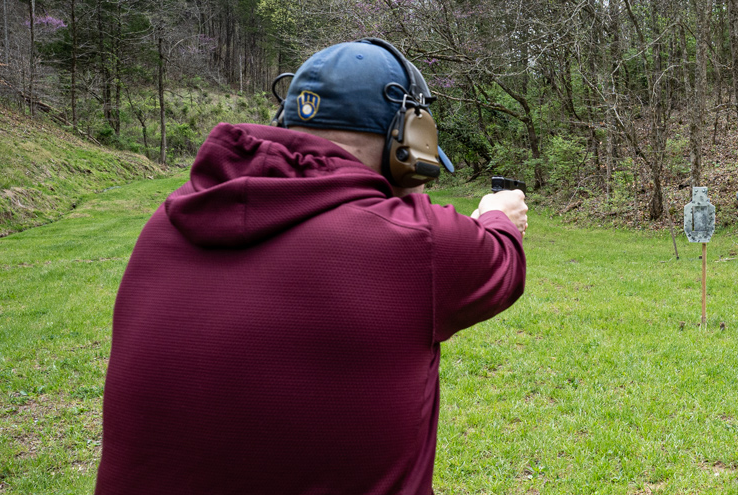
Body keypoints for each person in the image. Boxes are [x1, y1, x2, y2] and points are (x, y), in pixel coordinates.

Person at [94, 38, 527, 495]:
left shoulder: (164, 224)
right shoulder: (418, 241)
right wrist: (500, 212)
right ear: (411, 138)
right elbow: (503, 257)